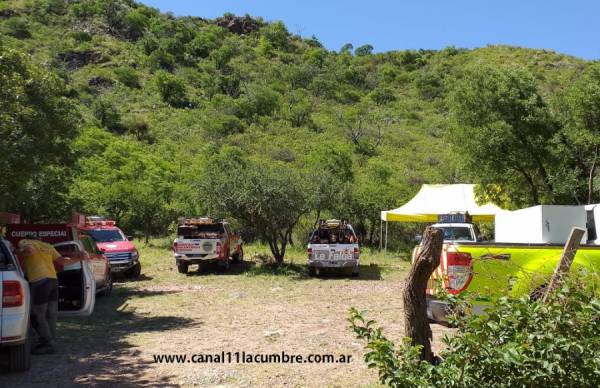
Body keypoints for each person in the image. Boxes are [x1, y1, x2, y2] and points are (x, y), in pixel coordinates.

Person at [16, 239, 85, 355]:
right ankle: (51, 341)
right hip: (53, 281)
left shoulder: (25, 241)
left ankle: (49, 344)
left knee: (38, 315)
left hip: (40, 282)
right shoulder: (48, 246)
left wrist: (19, 251)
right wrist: (79, 258)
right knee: (51, 314)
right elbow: (63, 262)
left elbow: (29, 250)